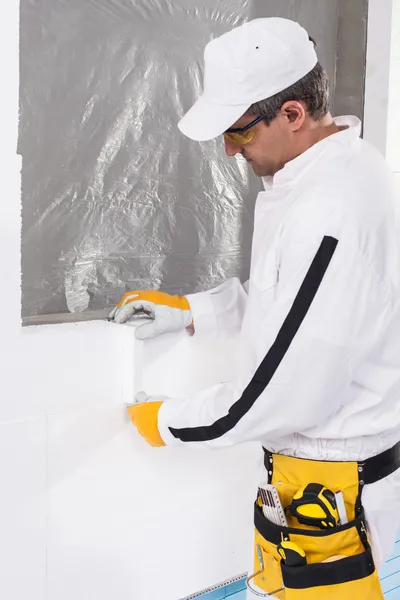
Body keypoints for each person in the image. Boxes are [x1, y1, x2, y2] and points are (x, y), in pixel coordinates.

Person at [109, 18, 400, 598]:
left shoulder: (331, 208)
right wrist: (191, 312)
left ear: (292, 114)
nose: (228, 149)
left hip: (329, 487)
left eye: (239, 132)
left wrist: (166, 422)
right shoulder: (324, 177)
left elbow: (282, 393)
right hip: (315, 480)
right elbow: (297, 305)